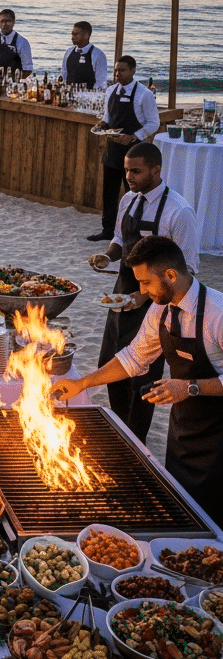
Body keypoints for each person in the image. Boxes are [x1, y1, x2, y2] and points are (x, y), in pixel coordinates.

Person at [52, 236, 223, 528]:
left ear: (171, 275)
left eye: (145, 283)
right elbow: (134, 358)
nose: (140, 291)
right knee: (183, 509)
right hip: (184, 430)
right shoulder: (160, 310)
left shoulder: (218, 313)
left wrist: (190, 387)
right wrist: (82, 383)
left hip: (219, 435)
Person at [87, 143, 198, 443]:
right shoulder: (128, 200)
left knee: (143, 376)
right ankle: (118, 426)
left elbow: (188, 270)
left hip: (156, 300)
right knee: (110, 363)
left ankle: (135, 438)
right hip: (123, 291)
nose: (128, 177)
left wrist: (145, 296)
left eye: (135, 171)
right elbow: (120, 238)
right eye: (126, 170)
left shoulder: (180, 211)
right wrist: (108, 256)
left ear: (156, 170)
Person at [87, 55, 160, 241]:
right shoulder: (111, 91)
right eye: (116, 70)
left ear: (133, 71)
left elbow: (154, 123)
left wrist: (134, 136)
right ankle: (107, 230)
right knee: (109, 192)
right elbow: (108, 117)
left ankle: (134, 232)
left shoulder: (145, 94)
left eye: (122, 70)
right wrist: (101, 126)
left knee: (135, 193)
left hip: (134, 151)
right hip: (112, 149)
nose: (118, 74)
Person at [60, 20, 108, 89]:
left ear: (86, 35)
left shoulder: (98, 55)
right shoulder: (68, 52)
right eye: (72, 34)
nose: (72, 37)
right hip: (69, 94)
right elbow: (64, 74)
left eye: (76, 34)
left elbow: (101, 82)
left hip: (89, 96)